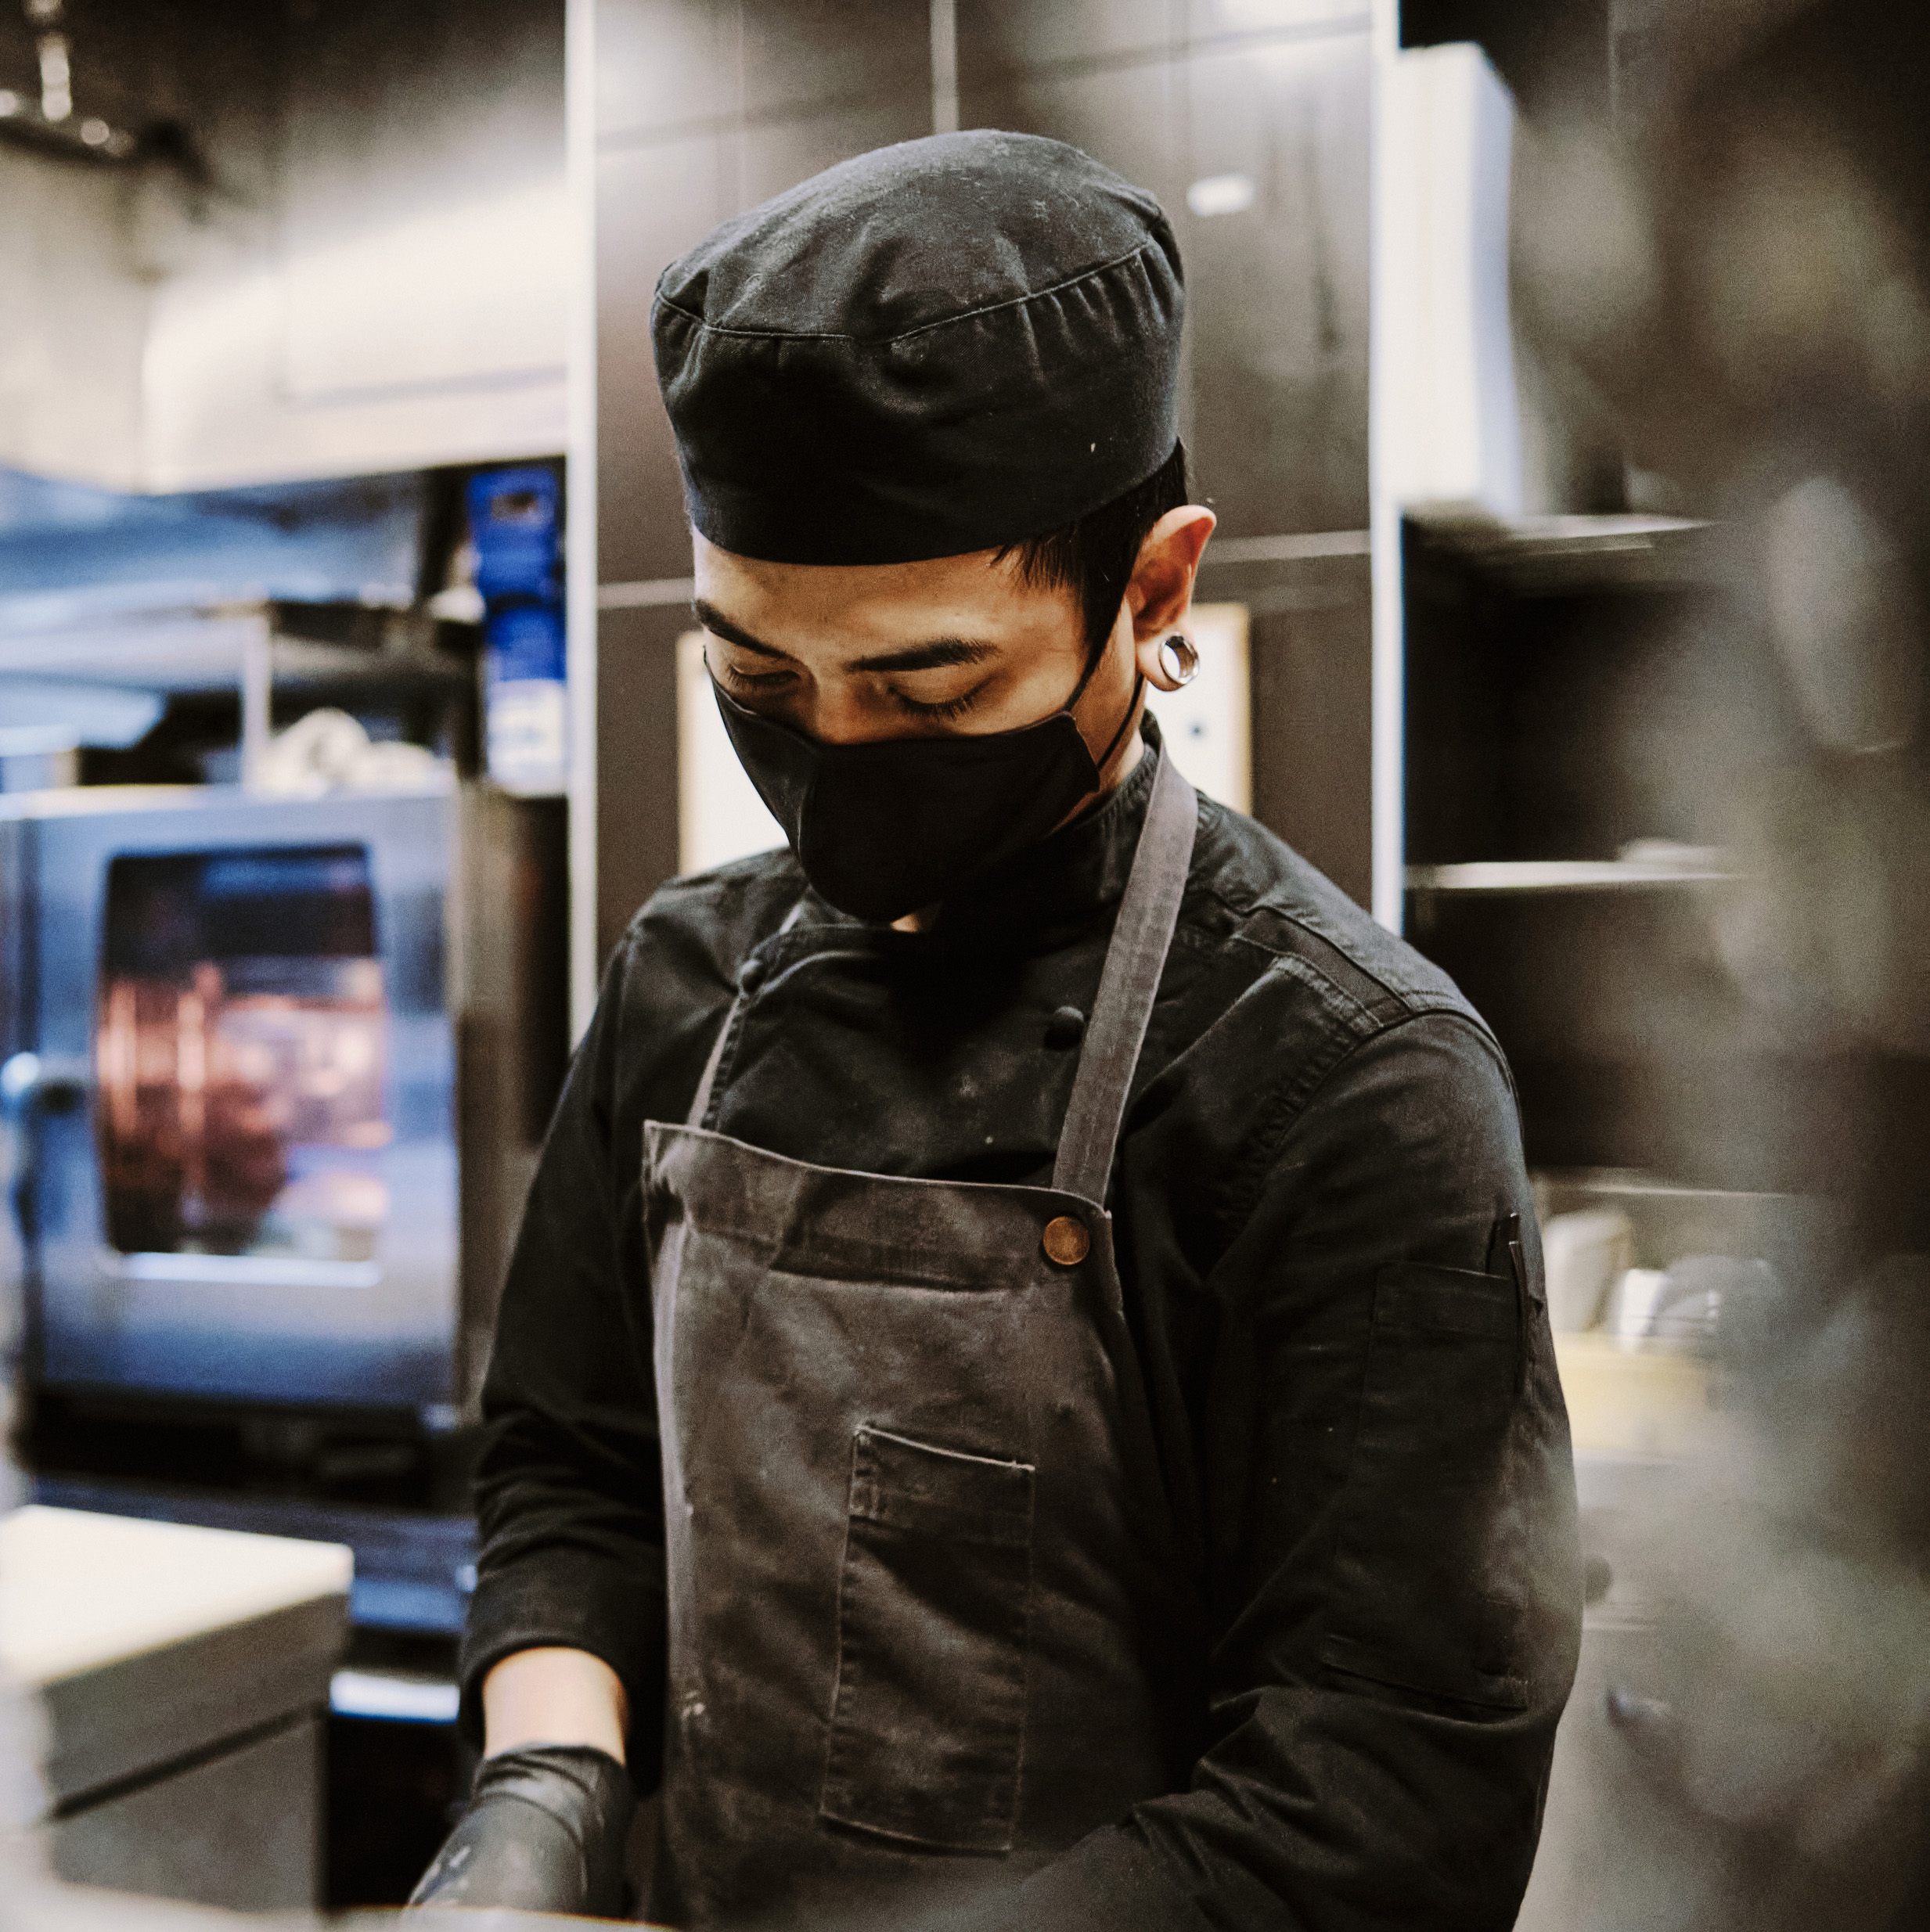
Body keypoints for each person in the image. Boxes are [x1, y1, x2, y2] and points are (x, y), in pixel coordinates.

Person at [410, 130, 1581, 1930]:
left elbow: (1380, 1797)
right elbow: (572, 1468)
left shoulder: (1347, 1082)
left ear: (1157, 586)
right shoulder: (679, 986)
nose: (833, 751)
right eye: (757, 675)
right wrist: (544, 1787)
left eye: (930, 678)